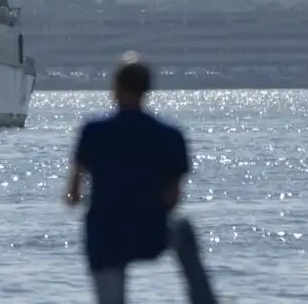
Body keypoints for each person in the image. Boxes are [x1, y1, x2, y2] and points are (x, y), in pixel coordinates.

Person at [66, 52, 218, 304]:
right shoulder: (170, 135)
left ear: (115, 88)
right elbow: (173, 198)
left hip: (105, 237)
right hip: (150, 235)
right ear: (147, 89)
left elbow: (72, 196)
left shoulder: (92, 132)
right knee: (182, 228)